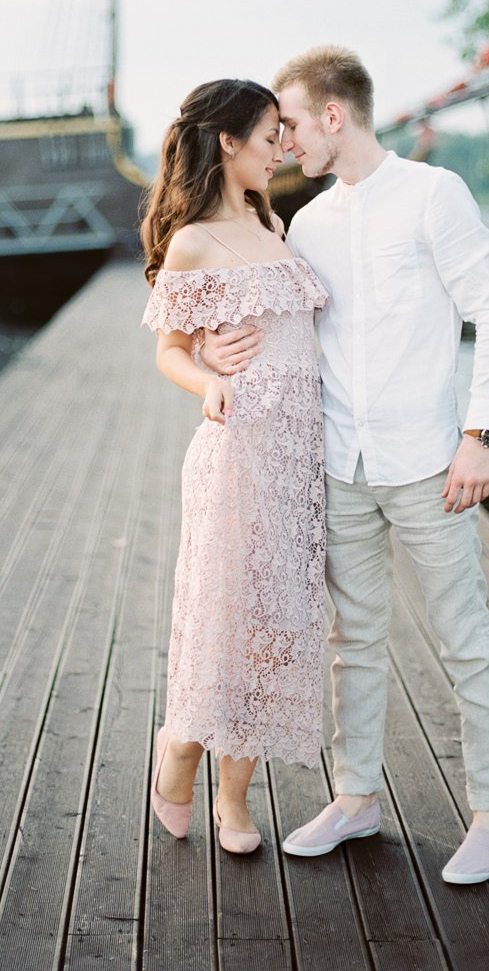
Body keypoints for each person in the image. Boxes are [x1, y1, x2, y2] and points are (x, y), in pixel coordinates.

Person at [201, 46, 489, 884]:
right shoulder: (306, 223)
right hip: (336, 465)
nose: (284, 144)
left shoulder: (432, 194)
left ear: (333, 116)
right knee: (354, 643)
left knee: (465, 642)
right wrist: (210, 354)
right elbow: (268, 320)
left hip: (430, 464)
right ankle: (356, 799)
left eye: (293, 126)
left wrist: (477, 436)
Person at [141, 78, 329, 855]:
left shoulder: (270, 218)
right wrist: (211, 377)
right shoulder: (192, 241)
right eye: (267, 134)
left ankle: (234, 797)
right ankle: (180, 747)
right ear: (227, 142)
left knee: (274, 632)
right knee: (226, 625)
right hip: (236, 451)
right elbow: (169, 352)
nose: (279, 148)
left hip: (298, 458)